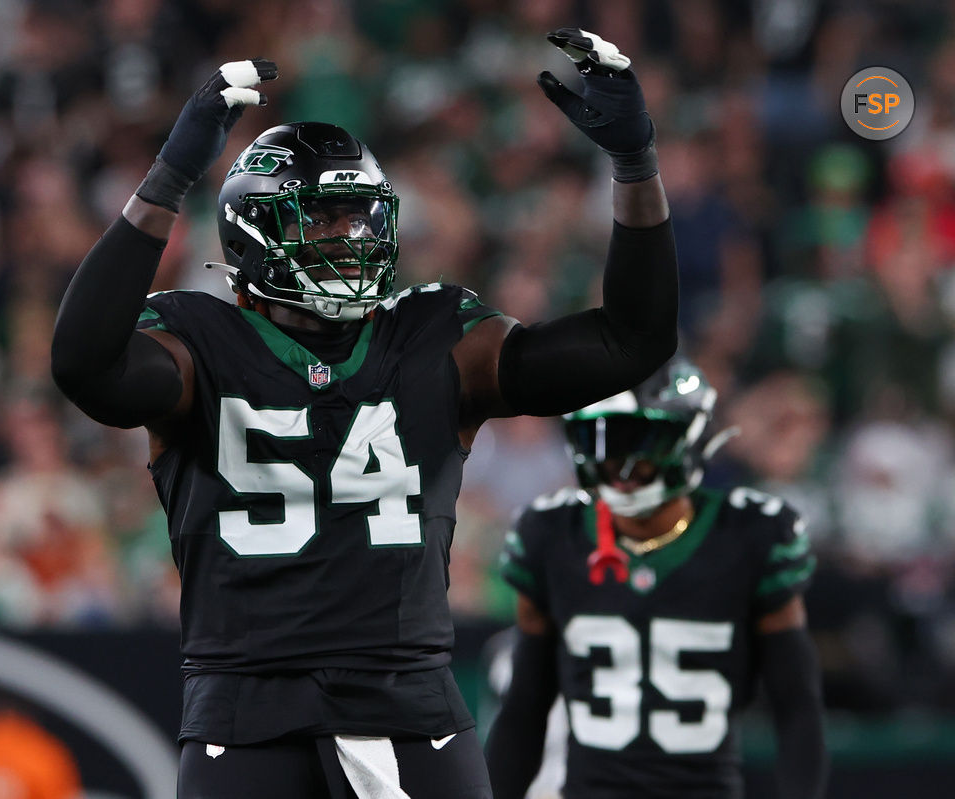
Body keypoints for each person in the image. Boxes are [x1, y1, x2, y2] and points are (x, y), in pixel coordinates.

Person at [50, 28, 678, 799]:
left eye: (359, 218)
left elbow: (630, 341)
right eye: (321, 219)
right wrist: (169, 177)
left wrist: (635, 166)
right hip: (246, 712)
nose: (349, 240)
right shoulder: (198, 339)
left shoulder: (437, 337)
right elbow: (83, 364)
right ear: (254, 231)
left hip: (411, 707)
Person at [485, 357, 828, 799]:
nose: (620, 466)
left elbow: (797, 708)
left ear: (686, 436)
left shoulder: (751, 535)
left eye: (639, 440)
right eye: (603, 439)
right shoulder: (551, 535)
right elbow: (524, 712)